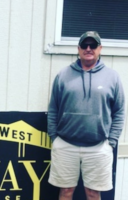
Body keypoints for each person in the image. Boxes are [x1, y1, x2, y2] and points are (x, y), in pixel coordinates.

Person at [47, 31, 125, 200]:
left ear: (100, 49)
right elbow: (53, 108)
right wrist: (55, 137)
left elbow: (119, 111)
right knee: (66, 192)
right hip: (66, 145)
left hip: (98, 147)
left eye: (93, 45)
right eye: (84, 45)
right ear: (78, 48)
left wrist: (111, 142)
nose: (88, 48)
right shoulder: (63, 75)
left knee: (93, 193)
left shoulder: (112, 77)